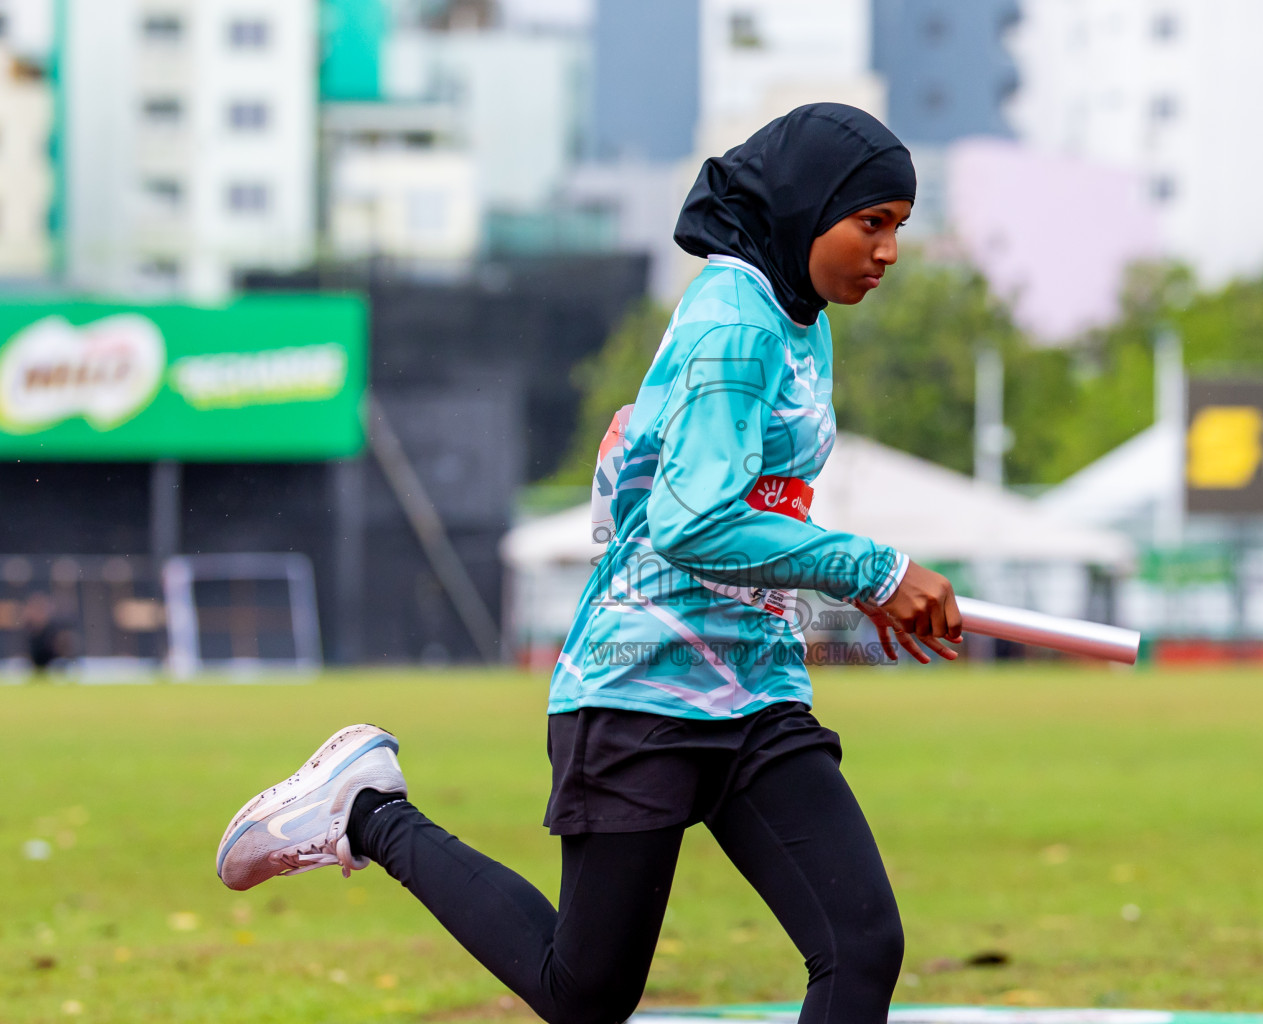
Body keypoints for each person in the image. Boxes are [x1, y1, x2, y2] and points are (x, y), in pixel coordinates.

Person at [215, 103, 963, 1024]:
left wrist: (856, 586)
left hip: (755, 686)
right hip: (641, 689)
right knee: (586, 994)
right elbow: (694, 521)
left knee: (861, 947)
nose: (888, 251)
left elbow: (733, 504)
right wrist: (874, 571)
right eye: (871, 223)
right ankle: (365, 810)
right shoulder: (736, 322)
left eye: (899, 227)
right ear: (809, 209)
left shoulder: (795, 314)